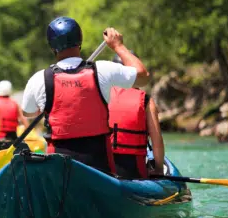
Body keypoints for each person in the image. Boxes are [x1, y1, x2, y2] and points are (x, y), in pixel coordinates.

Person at [21, 16, 150, 173]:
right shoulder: (103, 69)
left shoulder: (39, 79)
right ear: (79, 41)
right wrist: (118, 46)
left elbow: (28, 113)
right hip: (100, 167)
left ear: (52, 47)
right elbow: (143, 77)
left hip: (59, 169)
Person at [109, 55, 165, 178]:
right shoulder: (145, 100)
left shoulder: (101, 95)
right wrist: (159, 169)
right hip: (134, 171)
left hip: (103, 167)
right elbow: (157, 140)